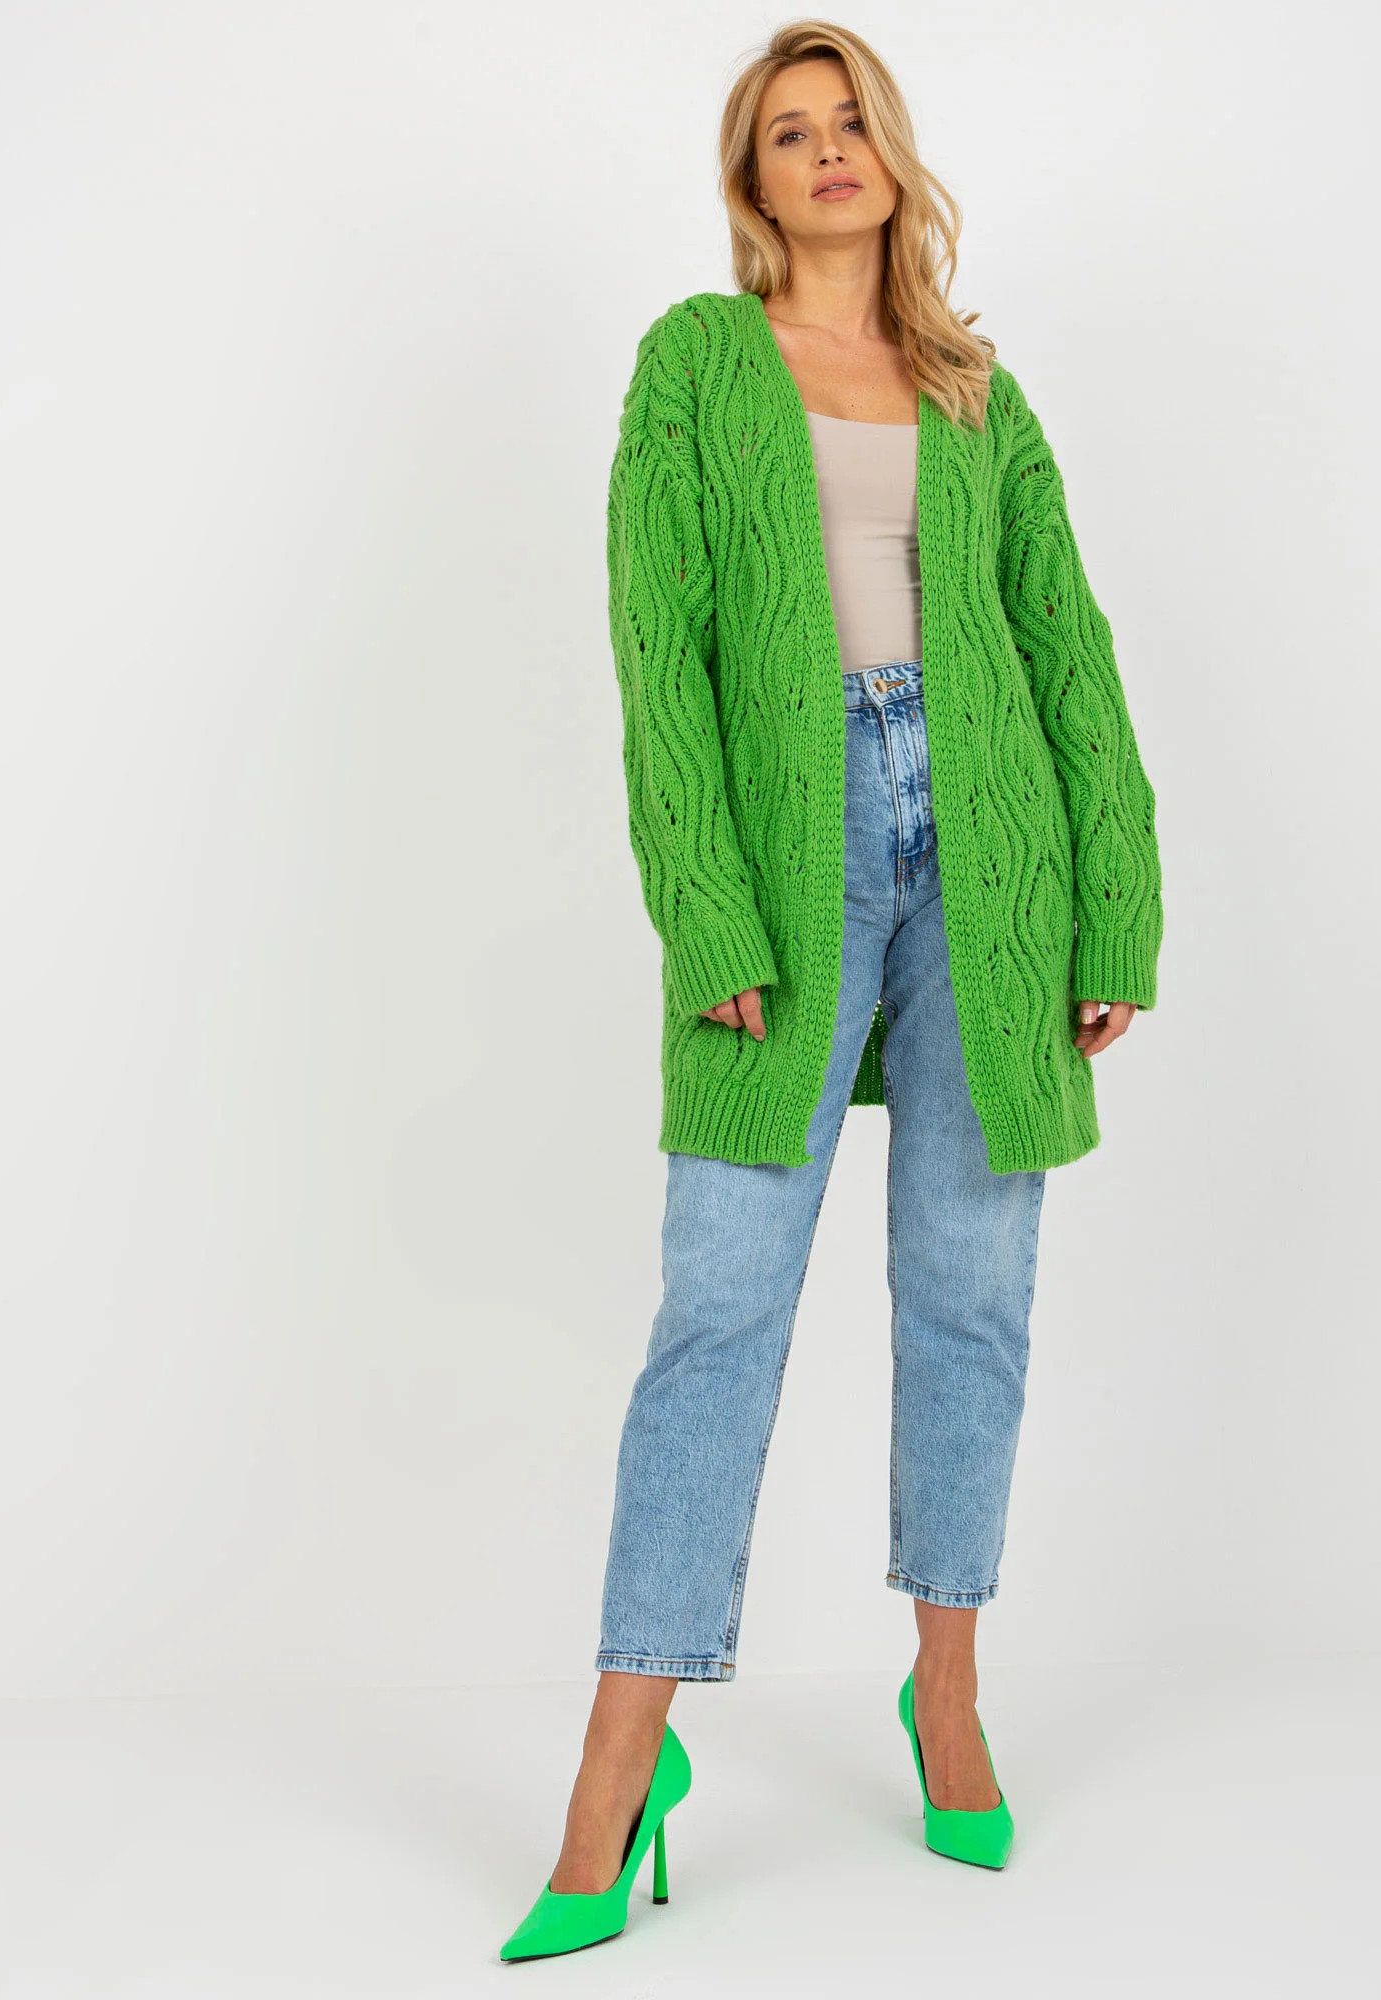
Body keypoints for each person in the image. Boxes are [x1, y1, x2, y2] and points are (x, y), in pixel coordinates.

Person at [501, 18, 1162, 1963]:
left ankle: (945, 1689)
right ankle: (619, 1767)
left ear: (893, 153)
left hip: (992, 849)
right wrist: (708, 917)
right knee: (720, 1301)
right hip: (796, 858)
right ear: (754, 180)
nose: (828, 149)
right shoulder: (698, 365)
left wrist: (1111, 906)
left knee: (971, 1286)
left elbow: (1066, 649)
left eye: (851, 118)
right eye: (789, 131)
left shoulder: (974, 390)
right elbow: (660, 647)